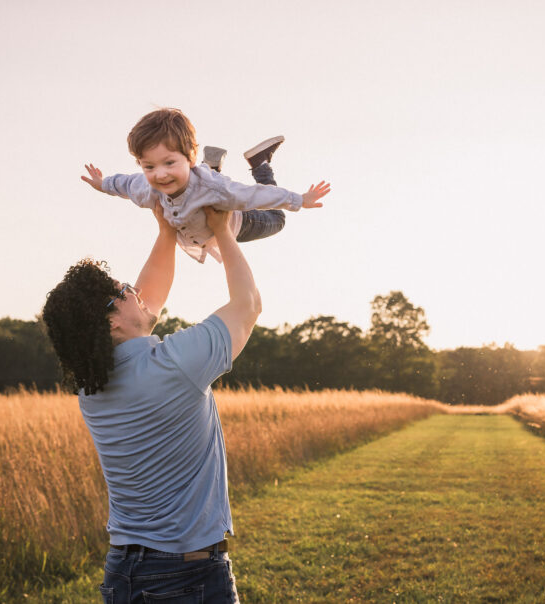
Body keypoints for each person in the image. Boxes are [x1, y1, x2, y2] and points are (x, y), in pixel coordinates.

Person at [42, 200, 258, 603]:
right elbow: (247, 307)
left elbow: (146, 305)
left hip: (124, 569)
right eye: (122, 291)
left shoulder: (92, 388)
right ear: (111, 322)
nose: (133, 291)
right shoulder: (174, 365)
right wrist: (223, 230)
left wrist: (165, 234)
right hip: (185, 575)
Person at [81, 107, 331, 263]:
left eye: (169, 163)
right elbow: (124, 184)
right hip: (208, 210)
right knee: (206, 182)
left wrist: (299, 199)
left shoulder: (217, 191)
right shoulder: (148, 188)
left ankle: (259, 164)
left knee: (277, 220)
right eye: (149, 167)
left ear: (189, 157)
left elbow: (254, 195)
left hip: (240, 222)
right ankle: (211, 168)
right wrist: (103, 183)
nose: (160, 174)